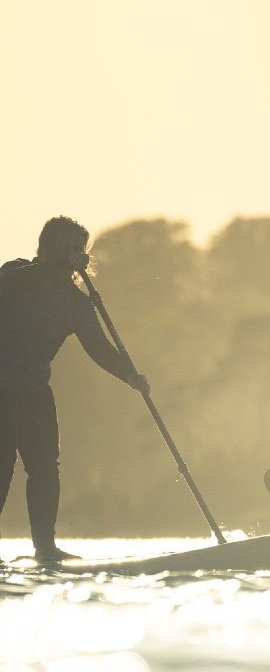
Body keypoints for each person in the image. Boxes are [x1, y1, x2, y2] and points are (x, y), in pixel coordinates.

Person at [0, 216, 148, 563]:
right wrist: (58, 265)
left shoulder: (77, 302)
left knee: (45, 467)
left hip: (34, 390)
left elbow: (98, 348)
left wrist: (131, 376)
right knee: (2, 463)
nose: (79, 256)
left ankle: (45, 548)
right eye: (72, 249)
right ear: (50, 249)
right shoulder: (14, 274)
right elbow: (17, 281)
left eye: (81, 250)